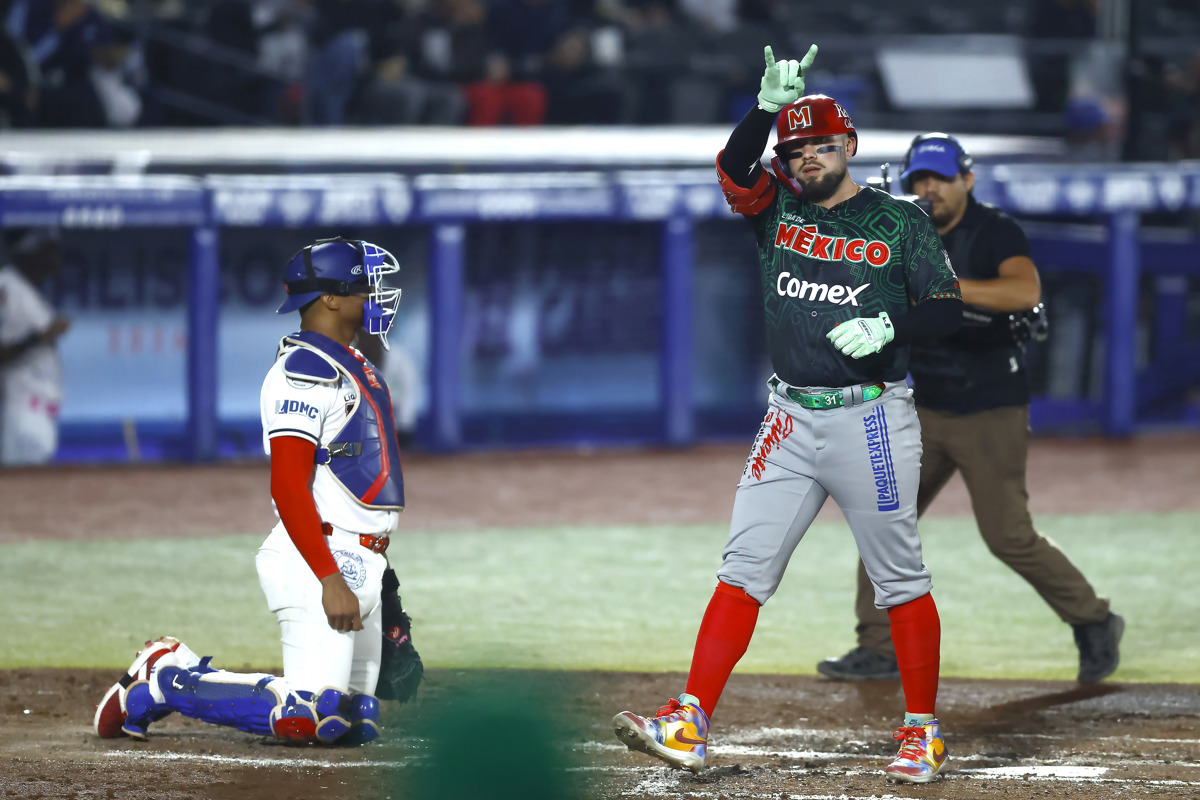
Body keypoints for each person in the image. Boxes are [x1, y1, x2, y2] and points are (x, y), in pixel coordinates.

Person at [611, 46, 963, 785]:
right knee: (742, 570)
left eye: (820, 146)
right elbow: (736, 170)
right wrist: (765, 111)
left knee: (898, 578)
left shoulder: (899, 222)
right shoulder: (777, 208)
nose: (806, 158)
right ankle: (689, 721)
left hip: (870, 417)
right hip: (789, 417)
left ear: (850, 146)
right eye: (795, 149)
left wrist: (891, 326)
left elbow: (945, 309)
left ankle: (922, 730)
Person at [817, 133, 1124, 685]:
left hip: (989, 408)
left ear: (967, 181)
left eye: (940, 178)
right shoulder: (903, 232)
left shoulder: (994, 229)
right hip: (925, 409)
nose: (929, 189)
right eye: (920, 181)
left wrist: (945, 288)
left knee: (1008, 535)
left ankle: (1095, 619)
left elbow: (1023, 291)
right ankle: (878, 645)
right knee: (883, 519)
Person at [93, 237, 422, 745]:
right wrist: (330, 576)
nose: (373, 295)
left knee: (356, 719)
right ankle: (164, 677)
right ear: (330, 298)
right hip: (317, 555)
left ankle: (171, 679)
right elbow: (288, 485)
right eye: (362, 286)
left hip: (360, 559)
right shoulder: (302, 372)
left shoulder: (358, 366)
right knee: (310, 716)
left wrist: (378, 580)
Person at [0, 227, 69, 466]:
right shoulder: (6, 287)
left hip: (40, 414)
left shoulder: (27, 291)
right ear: (29, 254)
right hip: (20, 412)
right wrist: (40, 337)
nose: (56, 257)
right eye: (47, 250)